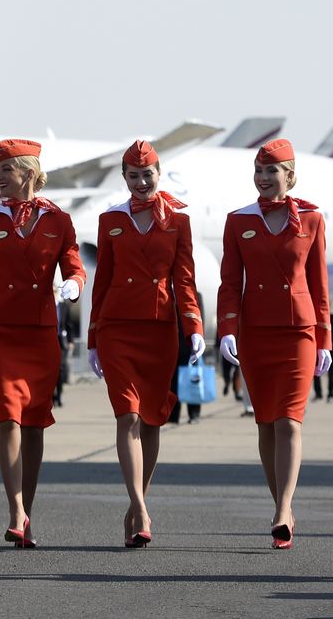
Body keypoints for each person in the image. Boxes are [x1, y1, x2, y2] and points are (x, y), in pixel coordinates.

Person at [0, 139, 85, 549]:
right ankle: (15, 510)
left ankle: (28, 508)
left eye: (5, 170)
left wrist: (75, 286)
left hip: (40, 333)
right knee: (8, 416)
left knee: (34, 423)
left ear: (28, 173)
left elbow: (74, 265)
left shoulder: (58, 219)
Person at [86, 140, 204, 548]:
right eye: (132, 176)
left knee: (153, 419)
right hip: (117, 327)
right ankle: (140, 508)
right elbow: (101, 281)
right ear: (124, 178)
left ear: (160, 174)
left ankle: (136, 507)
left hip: (159, 329)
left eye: (147, 174)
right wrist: (92, 338)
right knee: (128, 416)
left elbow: (184, 280)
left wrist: (194, 329)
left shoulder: (179, 220)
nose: (140, 182)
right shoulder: (110, 220)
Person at [217, 139, 331, 550]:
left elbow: (319, 283)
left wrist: (324, 337)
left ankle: (283, 509)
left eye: (272, 172)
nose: (264, 179)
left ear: (290, 176)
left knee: (289, 420)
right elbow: (230, 282)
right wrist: (227, 329)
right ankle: (281, 504)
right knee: (265, 422)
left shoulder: (313, 219)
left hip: (299, 332)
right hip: (256, 333)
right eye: (259, 172)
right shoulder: (238, 220)